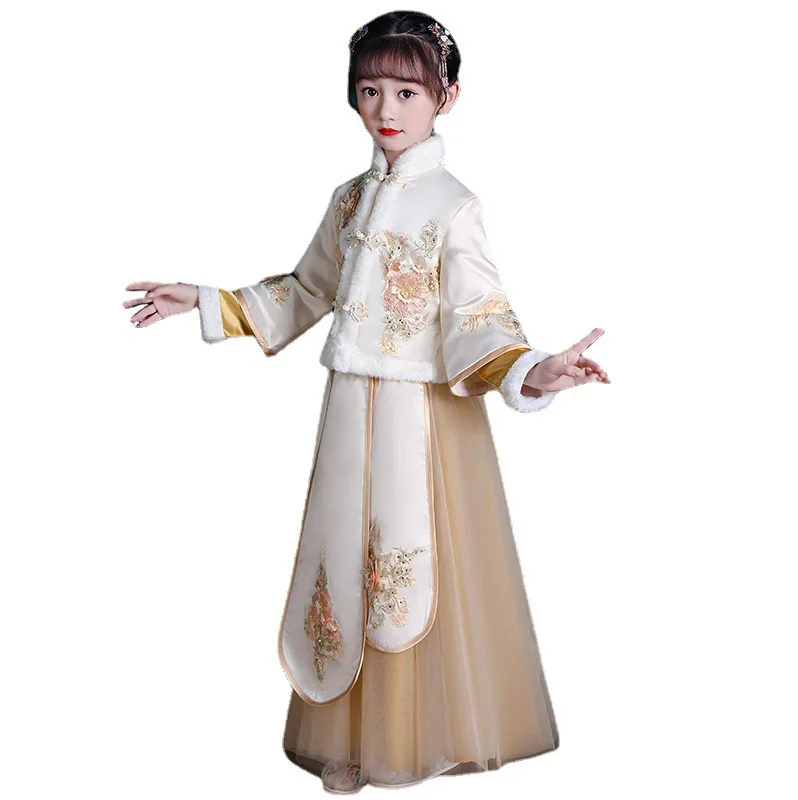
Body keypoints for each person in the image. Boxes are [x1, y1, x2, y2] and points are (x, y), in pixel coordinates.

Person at [123, 10, 609, 794]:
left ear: (448, 97)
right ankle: (353, 738)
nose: (386, 109)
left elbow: (479, 313)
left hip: (423, 417)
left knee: (407, 559)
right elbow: (308, 287)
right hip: (350, 408)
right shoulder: (349, 200)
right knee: (343, 552)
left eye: (407, 92)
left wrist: (534, 369)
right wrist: (211, 300)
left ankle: (414, 741)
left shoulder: (453, 205)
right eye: (370, 90)